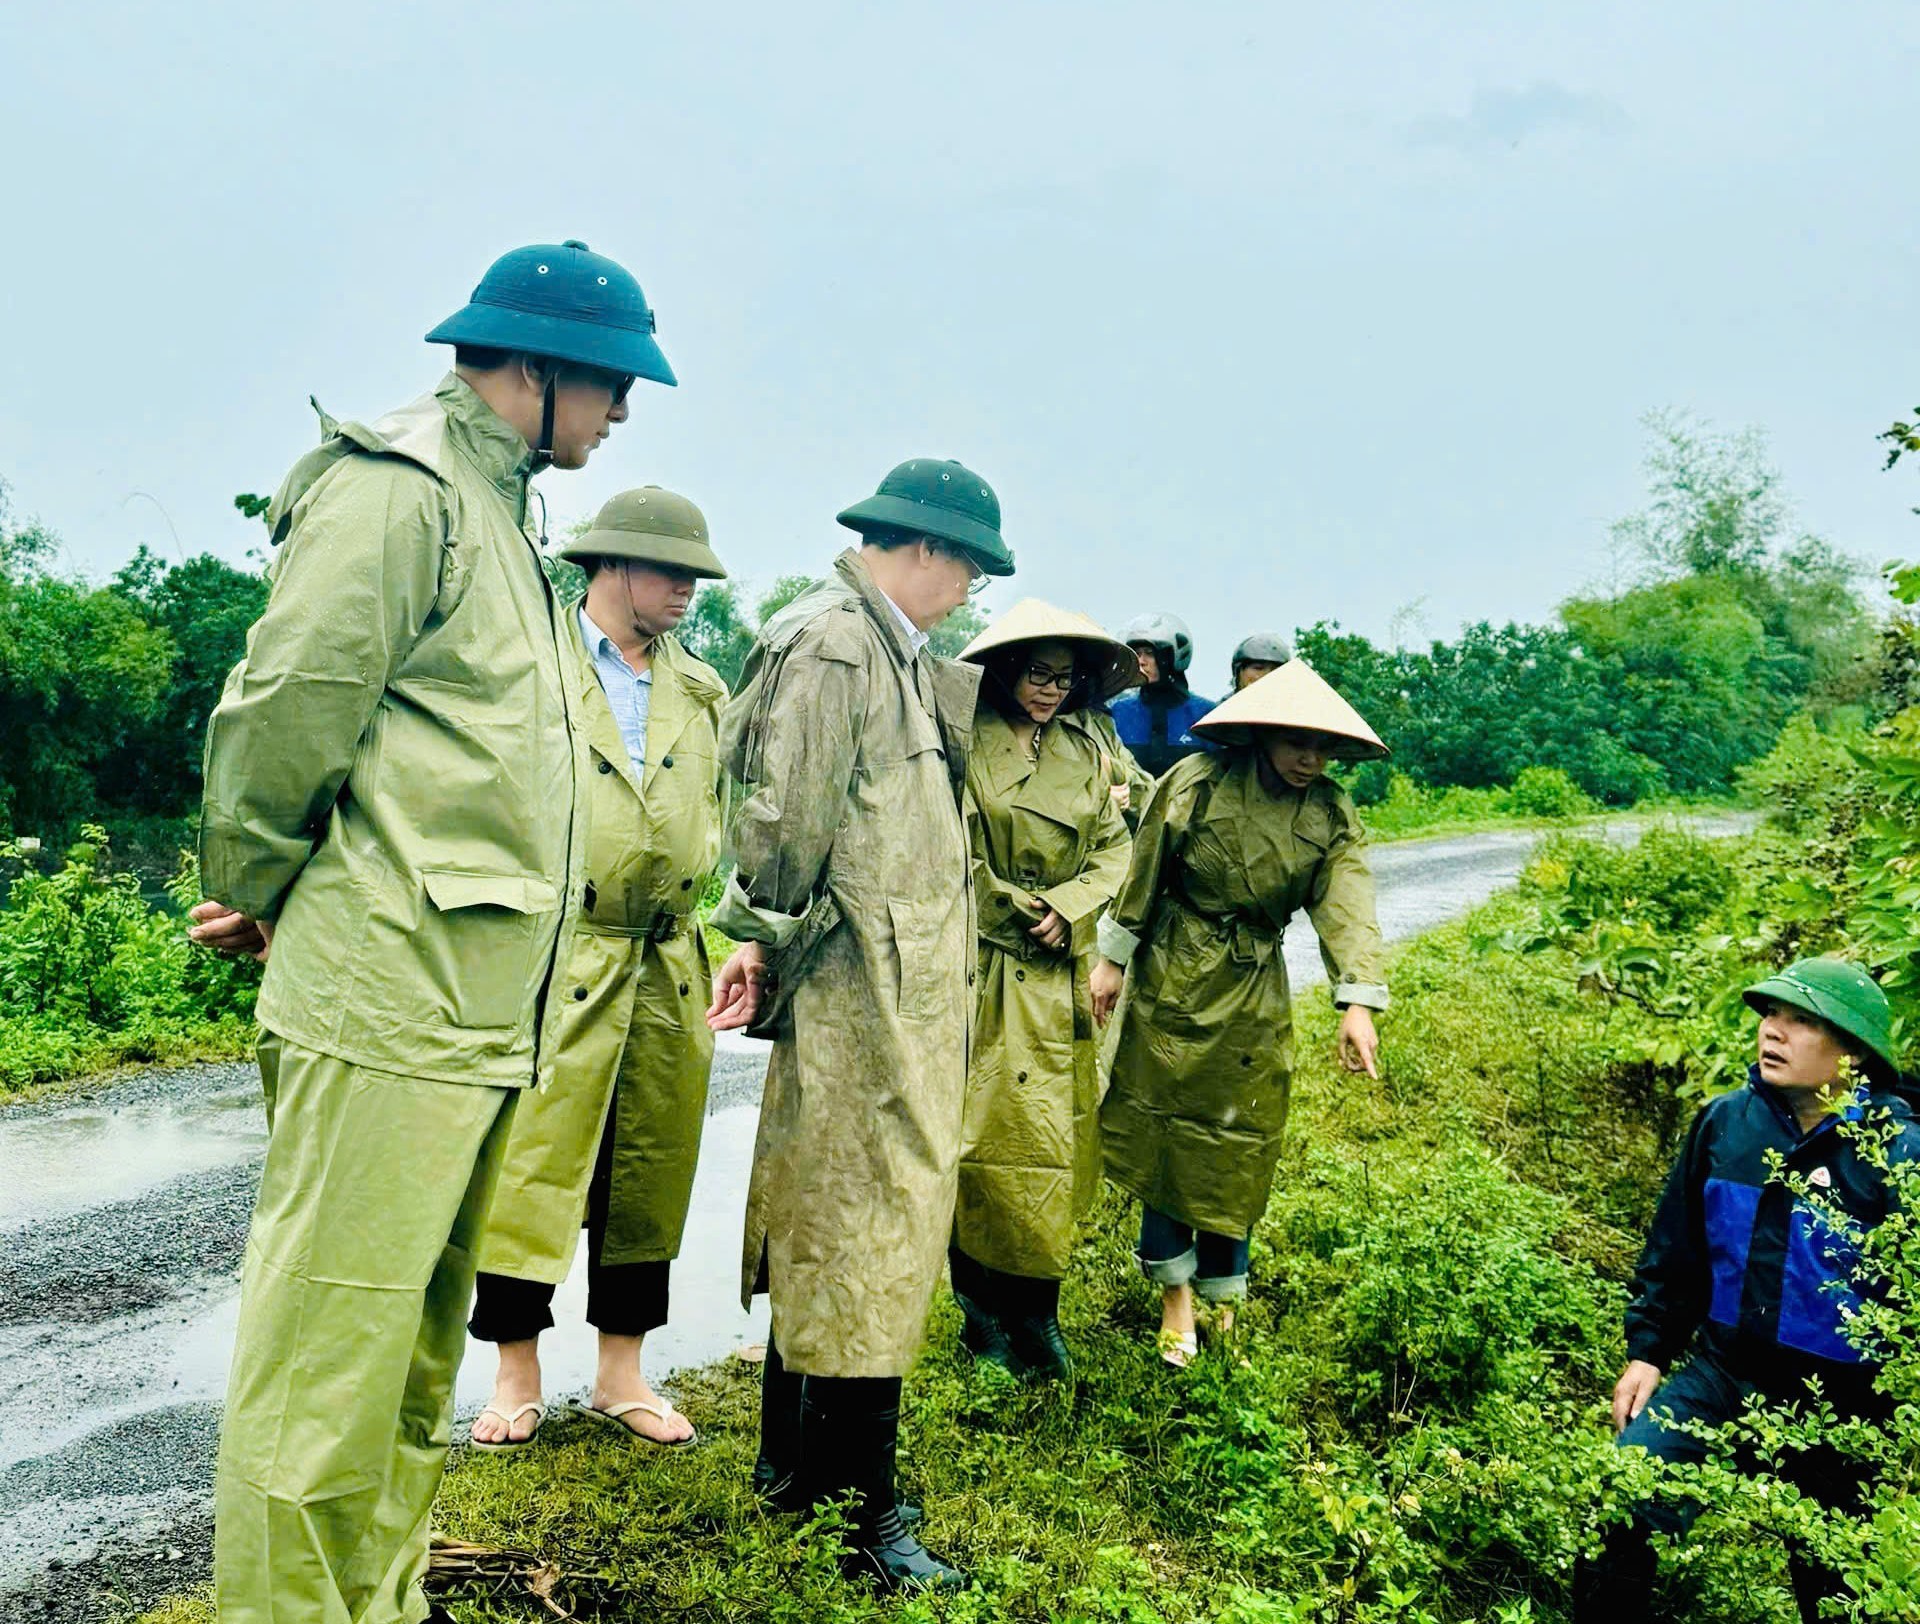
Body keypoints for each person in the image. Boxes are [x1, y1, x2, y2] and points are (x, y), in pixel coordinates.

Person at [187, 238, 674, 1624]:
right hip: (386, 993)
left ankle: (374, 1603)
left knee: (403, 1358)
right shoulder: (399, 488)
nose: (625, 410)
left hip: (464, 1009)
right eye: (614, 382)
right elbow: (288, 702)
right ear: (536, 366)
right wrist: (265, 880)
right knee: (324, 1363)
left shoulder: (494, 505)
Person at [705, 457, 1015, 1592]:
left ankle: (796, 1473)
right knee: (864, 1223)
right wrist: (756, 933)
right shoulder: (838, 641)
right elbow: (786, 813)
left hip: (897, 987)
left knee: (849, 1212)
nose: (973, 587)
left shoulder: (889, 647)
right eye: (970, 564)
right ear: (923, 550)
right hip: (864, 989)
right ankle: (855, 1510)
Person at [467, 487, 728, 1452]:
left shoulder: (702, 689)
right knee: (532, 1163)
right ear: (612, 566)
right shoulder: (534, 668)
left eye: (696, 575)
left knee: (649, 1164)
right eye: (671, 572)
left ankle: (622, 1372)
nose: (687, 591)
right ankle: (515, 1372)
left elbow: (725, 819)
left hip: (667, 952)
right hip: (559, 948)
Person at [1575, 958, 1919, 1622]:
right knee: (1622, 1497)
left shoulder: (1897, 1157)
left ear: (1854, 1052)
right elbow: (1676, 1250)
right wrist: (1648, 1351)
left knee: (1842, 1588)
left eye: (1801, 1020)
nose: (1774, 1031)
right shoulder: (1727, 1124)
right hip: (1724, 1372)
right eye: (1770, 1014)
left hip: (1844, 1409)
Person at [1091, 659, 1389, 1366]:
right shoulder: (1198, 782)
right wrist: (1113, 960)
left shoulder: (1327, 812)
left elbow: (1349, 903)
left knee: (1238, 1145)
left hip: (1255, 988)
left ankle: (1224, 1303)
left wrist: (1357, 999)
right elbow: (1145, 870)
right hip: (1175, 973)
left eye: (1321, 747)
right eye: (1294, 743)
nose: (1309, 759)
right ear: (1260, 734)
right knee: (1168, 1138)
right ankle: (1176, 1302)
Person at [948, 599, 1137, 1378]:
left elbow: (1115, 847)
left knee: (1053, 1141)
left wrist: (1068, 904)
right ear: (1004, 671)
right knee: (977, 1139)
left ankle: (1039, 1314)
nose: (1051, 691)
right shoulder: (964, 736)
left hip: (1057, 977)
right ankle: (979, 1316)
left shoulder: (1088, 747)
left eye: (1065, 678)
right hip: (980, 963)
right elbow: (950, 834)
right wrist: (1008, 905)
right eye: (1037, 674)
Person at [1106, 611, 1216, 778]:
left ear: (1172, 657)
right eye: (1137, 653)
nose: (1141, 661)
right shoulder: (1118, 712)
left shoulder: (1206, 714)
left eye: (1150, 653)